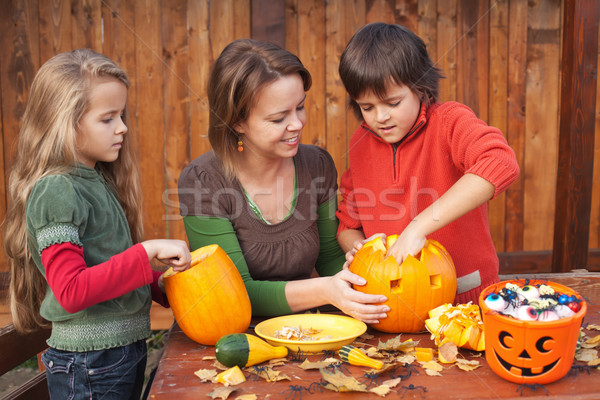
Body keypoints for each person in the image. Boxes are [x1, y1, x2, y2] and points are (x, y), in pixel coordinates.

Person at [3, 49, 191, 400]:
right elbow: (72, 290)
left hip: (115, 355)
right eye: (107, 119)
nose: (122, 128)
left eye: (121, 115)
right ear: (64, 122)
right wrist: (146, 251)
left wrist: (160, 284)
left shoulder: (94, 179)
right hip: (91, 362)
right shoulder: (57, 189)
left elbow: (105, 264)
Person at [178, 38, 389, 323]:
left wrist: (372, 267)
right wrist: (324, 290)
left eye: (299, 107)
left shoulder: (317, 165)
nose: (298, 124)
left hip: (314, 329)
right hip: (235, 337)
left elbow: (329, 259)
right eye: (279, 118)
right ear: (237, 122)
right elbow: (232, 291)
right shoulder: (202, 181)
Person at [336, 23, 520, 305]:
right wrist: (362, 253)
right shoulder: (361, 141)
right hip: (390, 302)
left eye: (392, 103)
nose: (380, 117)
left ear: (420, 87)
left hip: (464, 297)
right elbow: (348, 222)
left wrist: (418, 226)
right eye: (367, 107)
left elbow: (500, 162)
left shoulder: (449, 122)